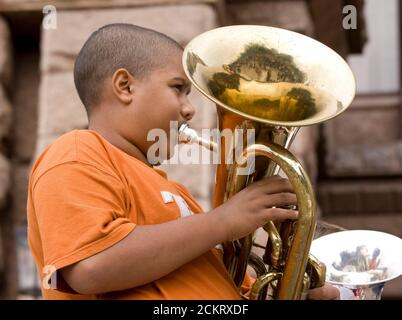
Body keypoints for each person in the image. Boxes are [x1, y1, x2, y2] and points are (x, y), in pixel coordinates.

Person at [27, 23, 339, 300]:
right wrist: (223, 221)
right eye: (178, 89)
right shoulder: (77, 152)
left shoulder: (176, 193)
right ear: (125, 86)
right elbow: (91, 267)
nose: (189, 110)